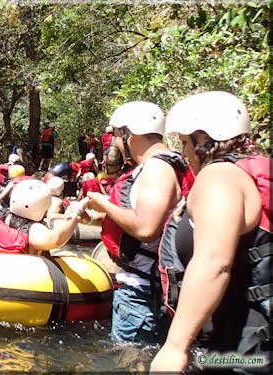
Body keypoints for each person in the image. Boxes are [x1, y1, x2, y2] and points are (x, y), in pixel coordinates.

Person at [150, 92, 271, 373]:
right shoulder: (253, 171)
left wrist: (175, 346)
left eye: (184, 143)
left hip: (242, 350)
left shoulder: (219, 177)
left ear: (203, 139)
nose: (184, 153)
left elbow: (214, 263)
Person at [81, 101, 195, 344]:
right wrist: (99, 218)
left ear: (128, 133)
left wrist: (103, 203)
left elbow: (145, 228)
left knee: (131, 363)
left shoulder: (156, 169)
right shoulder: (167, 164)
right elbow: (156, 219)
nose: (114, 144)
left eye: (116, 136)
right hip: (147, 288)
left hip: (141, 293)